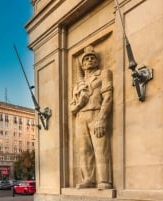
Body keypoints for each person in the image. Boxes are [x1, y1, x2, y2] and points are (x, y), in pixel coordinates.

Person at [70, 45, 113, 190]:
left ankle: (104, 180)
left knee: (101, 148)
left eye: (91, 58)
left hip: (96, 113)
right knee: (84, 150)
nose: (89, 60)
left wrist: (102, 118)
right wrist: (79, 104)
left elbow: (108, 97)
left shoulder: (103, 74)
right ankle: (88, 178)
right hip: (81, 117)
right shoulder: (78, 85)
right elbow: (72, 107)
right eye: (86, 59)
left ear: (96, 61)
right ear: (82, 65)